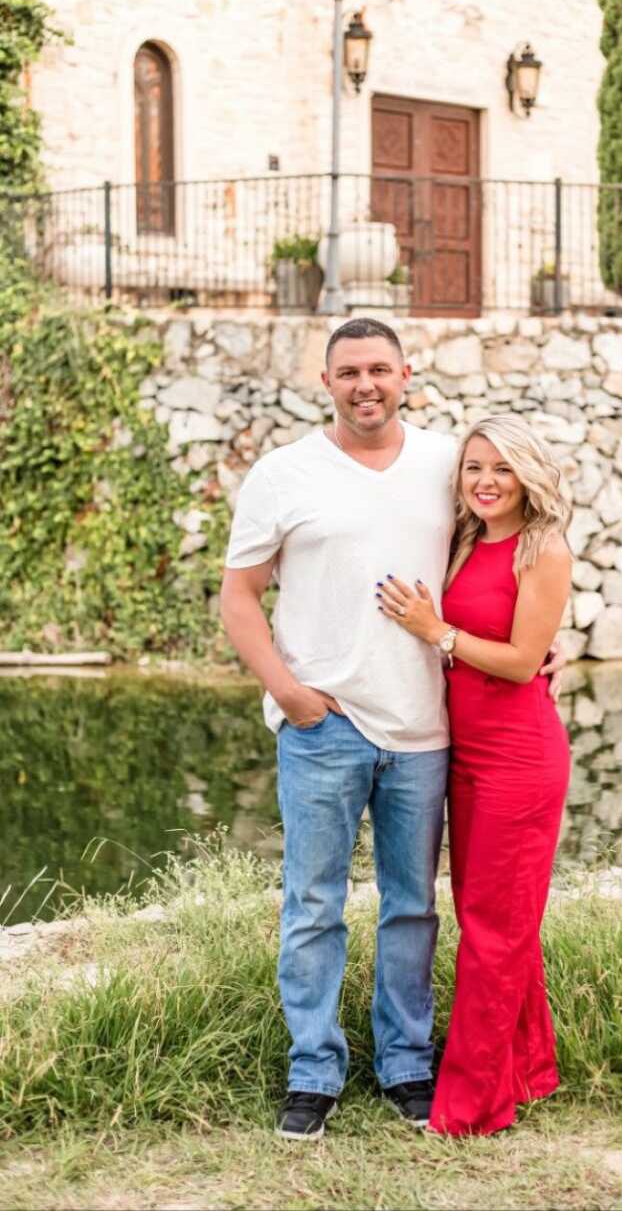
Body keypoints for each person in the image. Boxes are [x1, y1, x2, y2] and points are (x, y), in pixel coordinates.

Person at [219, 319, 563, 1141]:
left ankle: (407, 1061)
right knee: (312, 904)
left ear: (407, 374)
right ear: (327, 381)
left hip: (427, 732)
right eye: (349, 371)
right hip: (324, 726)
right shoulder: (284, 473)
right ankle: (314, 1069)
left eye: (380, 368)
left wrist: (543, 649)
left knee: (413, 907)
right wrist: (291, 695)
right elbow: (239, 597)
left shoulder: (449, 461)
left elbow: (511, 547)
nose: (365, 383)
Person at [377, 414, 572, 1137]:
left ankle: (469, 1107)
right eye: (474, 468)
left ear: (529, 474)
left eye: (502, 468)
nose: (487, 481)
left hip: (520, 760)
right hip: (467, 755)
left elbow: (523, 661)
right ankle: (528, 1066)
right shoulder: (466, 539)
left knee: (494, 928)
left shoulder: (543, 547)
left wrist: (438, 634)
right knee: (494, 919)